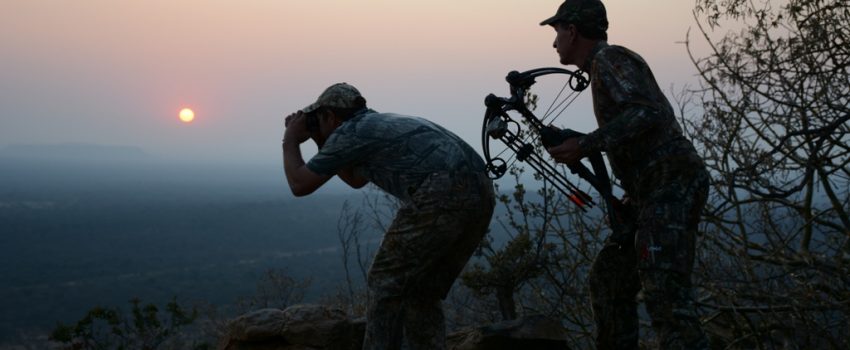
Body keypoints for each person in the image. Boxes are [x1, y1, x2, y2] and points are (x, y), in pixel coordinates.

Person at [538, 1, 711, 349]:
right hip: (652, 190)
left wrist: (586, 145)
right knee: (611, 277)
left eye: (557, 31)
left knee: (665, 294)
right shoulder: (603, 67)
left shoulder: (610, 59)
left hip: (671, 184)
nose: (554, 42)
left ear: (572, 31)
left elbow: (647, 114)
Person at [281, 82, 495, 350]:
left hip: (444, 189)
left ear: (329, 116)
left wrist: (290, 139)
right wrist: (319, 139)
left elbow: (300, 185)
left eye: (318, 119)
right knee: (422, 290)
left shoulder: (350, 131)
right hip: (482, 191)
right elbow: (355, 179)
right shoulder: (374, 124)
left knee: (384, 278)